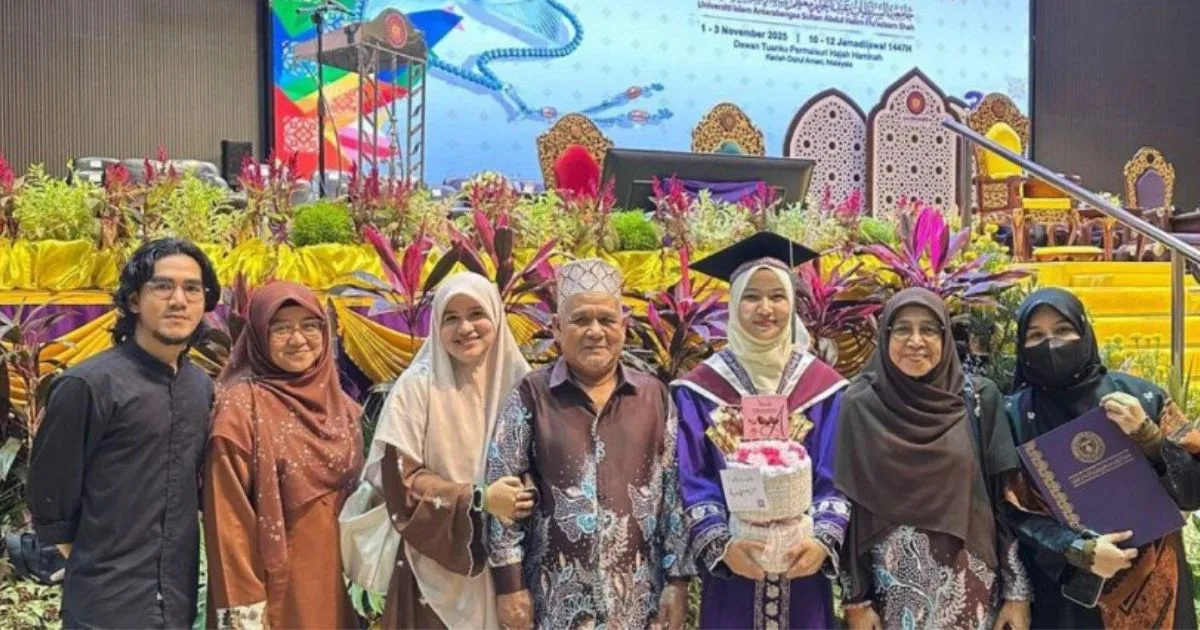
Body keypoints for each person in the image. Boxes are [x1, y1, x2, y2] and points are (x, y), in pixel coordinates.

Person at [485, 258, 691, 630]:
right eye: (580, 320)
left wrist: (677, 582)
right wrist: (509, 587)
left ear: (624, 327)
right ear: (557, 328)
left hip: (638, 602)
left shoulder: (654, 396)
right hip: (554, 602)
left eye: (606, 320)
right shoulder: (532, 394)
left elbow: (674, 494)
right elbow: (502, 490)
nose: (595, 332)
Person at [29, 238, 220, 628]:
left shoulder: (200, 388)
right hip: (106, 607)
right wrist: (100, 567)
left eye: (192, 289)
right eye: (162, 286)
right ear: (134, 300)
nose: (179, 300)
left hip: (177, 601)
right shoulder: (88, 385)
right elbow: (51, 499)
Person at [673, 232, 851, 629]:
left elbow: (836, 473)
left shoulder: (822, 388)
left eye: (777, 296)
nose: (765, 309)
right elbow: (693, 477)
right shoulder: (700, 390)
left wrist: (821, 541)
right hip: (734, 572)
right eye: (751, 297)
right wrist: (723, 545)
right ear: (734, 304)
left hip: (803, 569)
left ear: (792, 303)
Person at [1000, 287, 1200, 629]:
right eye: (1036, 336)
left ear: (1085, 332)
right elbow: (1011, 510)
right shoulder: (1013, 416)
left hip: (1156, 584)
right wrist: (1078, 549)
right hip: (1066, 598)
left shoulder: (1141, 396)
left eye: (1063, 330)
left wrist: (1149, 437)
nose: (1051, 344)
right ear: (1021, 346)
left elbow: (1193, 491)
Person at [835, 288, 1031, 630]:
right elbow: (850, 507)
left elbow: (1005, 503)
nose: (916, 341)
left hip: (971, 590)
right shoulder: (859, 404)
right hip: (890, 595)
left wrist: (1017, 594)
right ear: (885, 336)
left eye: (928, 329)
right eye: (902, 329)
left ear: (945, 337)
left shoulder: (979, 399)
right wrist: (856, 601)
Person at [368, 273, 534, 629]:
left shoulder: (524, 384)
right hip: (435, 562)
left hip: (513, 569)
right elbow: (401, 480)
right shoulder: (416, 387)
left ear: (496, 316)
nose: (465, 328)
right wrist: (478, 499)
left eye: (476, 314)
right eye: (451, 318)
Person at [203, 281, 363, 629]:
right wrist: (243, 618)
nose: (298, 339)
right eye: (281, 329)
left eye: (309, 325)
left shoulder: (342, 406)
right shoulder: (241, 408)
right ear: (259, 336)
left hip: (336, 583)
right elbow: (227, 522)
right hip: (274, 592)